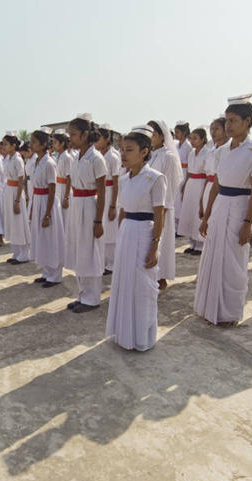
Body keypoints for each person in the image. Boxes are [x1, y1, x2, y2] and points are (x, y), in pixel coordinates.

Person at [194, 94, 252, 326]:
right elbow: (216, 185)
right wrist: (206, 216)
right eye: (227, 120)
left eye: (234, 120)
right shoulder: (221, 151)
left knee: (233, 263)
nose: (228, 125)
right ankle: (209, 308)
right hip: (220, 206)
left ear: (248, 122)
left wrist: (249, 222)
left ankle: (229, 313)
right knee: (213, 256)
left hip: (239, 207)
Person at [105, 125, 166, 350]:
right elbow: (123, 209)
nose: (123, 155)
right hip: (127, 232)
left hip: (144, 232)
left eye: (129, 150)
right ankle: (124, 334)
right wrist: (121, 232)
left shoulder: (155, 178)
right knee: (124, 282)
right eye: (121, 150)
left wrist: (154, 246)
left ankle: (142, 337)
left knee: (143, 285)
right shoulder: (124, 178)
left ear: (144, 151)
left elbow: (160, 214)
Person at [65, 113, 108, 313]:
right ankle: (82, 293)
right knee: (79, 250)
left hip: (90, 206)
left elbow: (101, 191)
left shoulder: (96, 158)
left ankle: (92, 298)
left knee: (90, 251)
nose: (70, 138)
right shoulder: (76, 157)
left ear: (84, 135)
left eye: (73, 134)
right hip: (77, 204)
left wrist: (98, 220)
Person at [28, 127, 66, 287]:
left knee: (50, 238)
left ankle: (55, 274)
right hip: (37, 199)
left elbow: (52, 189)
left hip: (47, 202)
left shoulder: (49, 163)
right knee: (41, 237)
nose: (31, 144)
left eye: (34, 142)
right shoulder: (36, 161)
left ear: (43, 144)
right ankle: (46, 271)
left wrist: (48, 213)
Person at [147, 119, 181, 290]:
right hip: (149, 205)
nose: (150, 138)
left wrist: (163, 208)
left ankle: (161, 278)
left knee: (162, 243)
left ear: (161, 136)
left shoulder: (168, 157)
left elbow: (172, 183)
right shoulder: (150, 154)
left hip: (162, 207)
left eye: (152, 134)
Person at [177, 125, 213, 255]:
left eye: (195, 138)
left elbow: (207, 173)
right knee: (189, 212)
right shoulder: (191, 153)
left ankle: (200, 244)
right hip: (191, 183)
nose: (192, 141)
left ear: (203, 139)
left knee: (198, 212)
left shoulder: (208, 153)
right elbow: (189, 172)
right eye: (191, 138)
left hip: (201, 183)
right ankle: (192, 242)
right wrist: (185, 186)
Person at [95, 125, 121, 274]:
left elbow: (116, 182)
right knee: (102, 226)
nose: (96, 142)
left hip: (110, 192)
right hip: (101, 192)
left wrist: (113, 205)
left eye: (99, 138)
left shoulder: (113, 156)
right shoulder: (99, 155)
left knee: (110, 230)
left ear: (106, 139)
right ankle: (103, 261)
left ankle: (111, 264)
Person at [2, 133, 30, 263]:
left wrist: (17, 200)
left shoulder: (18, 159)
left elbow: (21, 181)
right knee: (11, 222)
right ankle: (16, 251)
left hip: (16, 192)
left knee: (19, 222)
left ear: (14, 145)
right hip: (8, 190)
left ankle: (24, 253)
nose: (4, 146)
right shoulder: (7, 158)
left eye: (6, 144)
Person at [173, 121, 192, 232]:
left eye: (178, 132)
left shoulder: (188, 146)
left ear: (184, 133)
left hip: (184, 172)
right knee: (175, 199)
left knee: (181, 199)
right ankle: (175, 226)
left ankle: (180, 226)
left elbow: (190, 164)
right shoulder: (176, 145)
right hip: (177, 171)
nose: (176, 134)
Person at [52, 129, 73, 227]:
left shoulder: (67, 157)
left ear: (62, 143)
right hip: (58, 188)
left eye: (55, 142)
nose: (53, 145)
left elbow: (69, 178)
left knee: (64, 218)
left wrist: (66, 197)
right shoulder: (57, 156)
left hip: (64, 189)